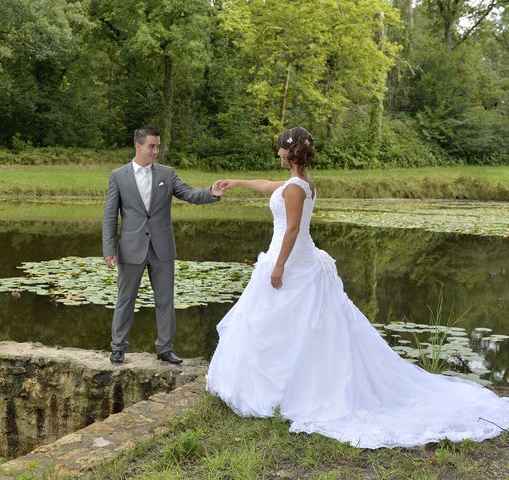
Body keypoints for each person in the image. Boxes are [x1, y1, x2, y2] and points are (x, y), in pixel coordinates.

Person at [206, 126, 509, 448]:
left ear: (288, 152)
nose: (277, 153)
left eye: (279, 149)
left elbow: (293, 229)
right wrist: (237, 182)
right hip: (301, 259)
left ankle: (291, 391)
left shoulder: (295, 188)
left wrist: (279, 265)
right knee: (292, 326)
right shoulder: (300, 182)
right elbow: (269, 185)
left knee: (291, 326)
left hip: (294, 260)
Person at [103, 126, 226, 365]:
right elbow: (110, 215)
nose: (156, 151)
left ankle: (165, 348)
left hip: (162, 248)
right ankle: (118, 347)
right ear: (137, 146)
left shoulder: (167, 174)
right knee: (125, 299)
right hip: (131, 248)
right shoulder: (118, 176)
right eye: (151, 146)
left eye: (158, 146)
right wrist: (109, 249)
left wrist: (211, 192)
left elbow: (189, 193)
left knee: (165, 300)